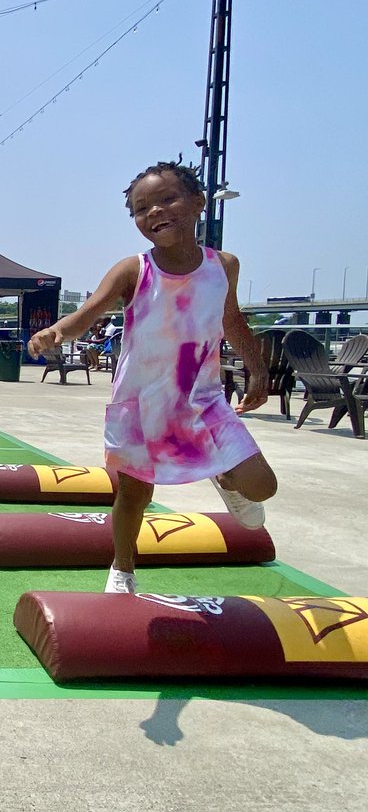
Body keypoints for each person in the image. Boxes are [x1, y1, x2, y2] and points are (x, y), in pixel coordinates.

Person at [27, 160, 276, 595]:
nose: (155, 212)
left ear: (198, 203)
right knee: (134, 497)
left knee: (263, 486)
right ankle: (123, 568)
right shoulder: (134, 270)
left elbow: (231, 319)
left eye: (167, 199)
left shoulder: (225, 266)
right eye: (142, 209)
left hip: (203, 400)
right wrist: (57, 332)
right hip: (142, 406)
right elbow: (88, 314)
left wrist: (257, 370)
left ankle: (227, 477)